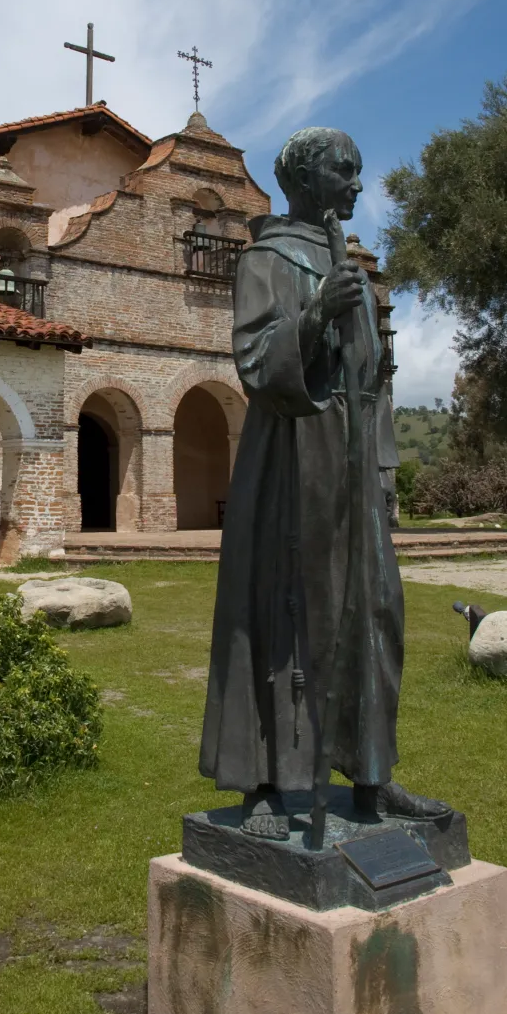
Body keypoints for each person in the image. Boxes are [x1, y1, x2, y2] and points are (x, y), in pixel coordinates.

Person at [199, 127, 448, 838]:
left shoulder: (348, 265)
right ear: (304, 180)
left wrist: (381, 464)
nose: (357, 184)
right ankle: (268, 785)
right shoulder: (266, 258)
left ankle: (371, 775)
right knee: (284, 612)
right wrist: (315, 316)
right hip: (291, 455)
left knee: (375, 609)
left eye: (357, 171)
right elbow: (255, 360)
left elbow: (372, 375)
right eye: (345, 171)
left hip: (352, 465)